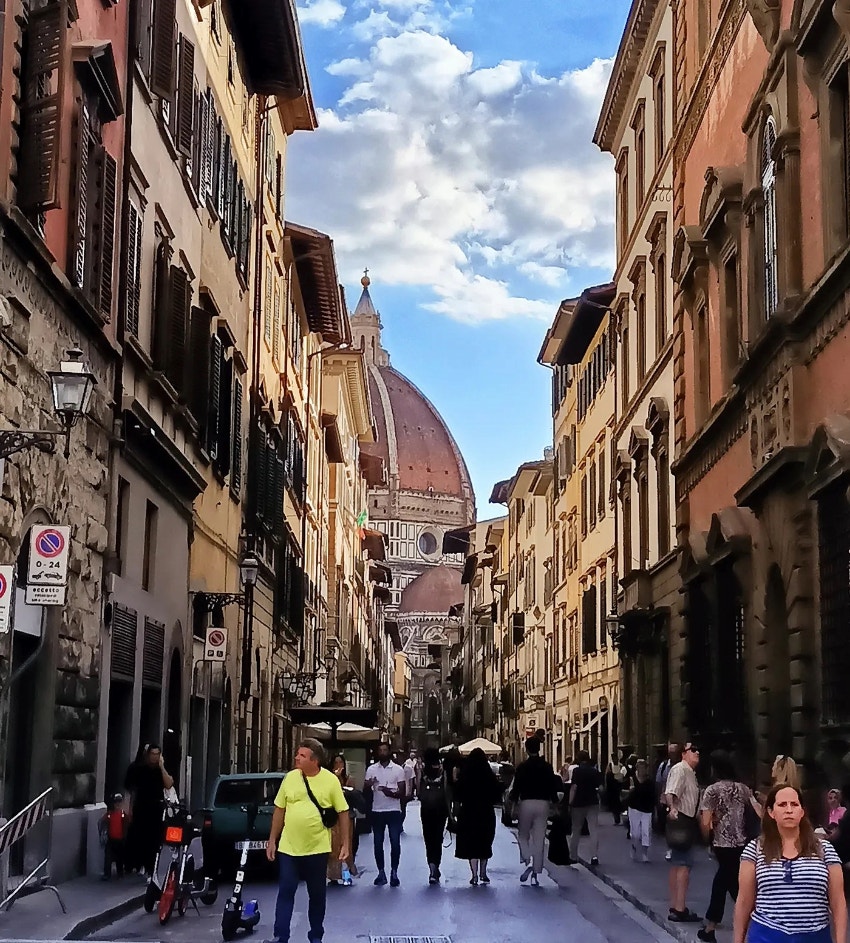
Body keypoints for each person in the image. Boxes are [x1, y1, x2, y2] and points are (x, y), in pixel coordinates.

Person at [733, 783, 846, 943]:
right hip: (767, 935)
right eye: (782, 804)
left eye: (794, 804)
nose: (789, 809)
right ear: (771, 812)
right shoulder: (755, 849)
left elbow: (838, 901)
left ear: (802, 811)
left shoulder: (824, 849)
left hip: (815, 935)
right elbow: (744, 900)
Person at [265, 739, 350, 943]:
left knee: (317, 894)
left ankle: (316, 935)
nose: (297, 758)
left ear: (315, 760)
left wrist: (345, 843)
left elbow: (343, 812)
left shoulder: (330, 781)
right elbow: (279, 810)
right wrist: (272, 840)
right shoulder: (290, 778)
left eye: (302, 756)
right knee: (286, 891)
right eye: (297, 754)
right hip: (289, 848)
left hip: (316, 849)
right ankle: (281, 936)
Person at [697, 750, 758, 943]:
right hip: (742, 842)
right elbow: (758, 811)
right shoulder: (743, 788)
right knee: (732, 883)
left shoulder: (712, 790)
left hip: (722, 843)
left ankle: (711, 928)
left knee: (722, 882)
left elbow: (706, 822)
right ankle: (750, 919)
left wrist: (706, 839)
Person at [510, 737, 558, 885]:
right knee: (539, 838)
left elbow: (516, 788)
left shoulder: (522, 767)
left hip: (526, 803)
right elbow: (552, 786)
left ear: (526, 749)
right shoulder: (547, 767)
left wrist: (513, 806)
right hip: (543, 804)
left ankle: (527, 857)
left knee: (523, 835)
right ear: (539, 748)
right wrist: (555, 805)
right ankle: (536, 873)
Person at [454, 747, 502, 885]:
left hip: (468, 812)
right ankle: (483, 872)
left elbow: (457, 795)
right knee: (485, 842)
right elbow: (496, 795)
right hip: (485, 812)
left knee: (471, 843)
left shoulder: (465, 776)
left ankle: (474, 874)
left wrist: (454, 814)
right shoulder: (489, 775)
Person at [665, 741, 702, 923]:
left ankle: (676, 906)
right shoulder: (681, 769)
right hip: (682, 820)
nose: (697, 752)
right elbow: (671, 792)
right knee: (683, 864)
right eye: (693, 749)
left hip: (685, 820)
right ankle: (679, 908)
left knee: (678, 863)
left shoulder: (689, 772)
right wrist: (672, 808)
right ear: (683, 754)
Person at [124, 743, 173, 876]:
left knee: (155, 840)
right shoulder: (138, 769)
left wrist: (162, 766)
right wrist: (128, 807)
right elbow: (131, 789)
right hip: (141, 807)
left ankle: (151, 869)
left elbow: (169, 784)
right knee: (140, 838)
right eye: (153, 754)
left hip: (156, 809)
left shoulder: (160, 770)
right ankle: (138, 865)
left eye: (158, 754)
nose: (155, 757)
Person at [365, 742, 407, 887]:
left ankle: (394, 872)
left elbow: (402, 792)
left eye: (385, 750)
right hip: (377, 810)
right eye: (380, 750)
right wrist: (370, 783)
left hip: (393, 810)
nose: (382, 752)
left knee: (395, 842)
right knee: (378, 843)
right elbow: (365, 787)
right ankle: (381, 872)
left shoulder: (397, 770)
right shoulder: (371, 769)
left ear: (389, 752)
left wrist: (388, 792)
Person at [418, 748, 449, 884]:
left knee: (428, 839)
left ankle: (431, 868)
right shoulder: (443, 770)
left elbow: (418, 791)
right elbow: (447, 790)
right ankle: (436, 865)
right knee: (438, 839)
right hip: (440, 808)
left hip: (426, 809)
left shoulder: (422, 770)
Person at [327, 755, 358, 885]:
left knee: (346, 846)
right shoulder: (328, 778)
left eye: (341, 762)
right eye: (336, 762)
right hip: (333, 818)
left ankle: (346, 875)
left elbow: (351, 794)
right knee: (333, 847)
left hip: (346, 817)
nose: (338, 765)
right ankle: (333, 875)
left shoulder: (348, 779)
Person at [568, 751, 602, 867]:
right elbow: (601, 787)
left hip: (578, 803)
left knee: (576, 830)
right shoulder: (594, 771)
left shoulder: (577, 771)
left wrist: (570, 802)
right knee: (593, 830)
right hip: (592, 802)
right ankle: (594, 856)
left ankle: (573, 856)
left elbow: (574, 787)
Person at [626, 759, 655, 863]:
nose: (642, 770)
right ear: (637, 768)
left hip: (646, 809)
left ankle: (644, 854)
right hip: (634, 808)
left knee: (646, 832)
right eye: (640, 768)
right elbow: (628, 792)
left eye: (644, 768)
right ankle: (633, 847)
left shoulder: (650, 782)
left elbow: (653, 795)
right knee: (635, 833)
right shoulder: (632, 779)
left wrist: (654, 807)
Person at [656, 742, 680, 847]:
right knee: (667, 825)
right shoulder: (664, 766)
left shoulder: (682, 766)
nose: (672, 755)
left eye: (674, 752)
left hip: (679, 801)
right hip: (665, 800)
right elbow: (659, 782)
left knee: (676, 825)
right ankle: (670, 846)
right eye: (671, 752)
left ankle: (675, 845)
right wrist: (659, 798)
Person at [100, 792, 127, 881]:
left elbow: (127, 826)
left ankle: (120, 873)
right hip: (111, 839)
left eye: (119, 802)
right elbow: (101, 822)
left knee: (120, 857)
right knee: (108, 857)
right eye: (116, 802)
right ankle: (107, 874)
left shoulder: (124, 815)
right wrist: (103, 833)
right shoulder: (109, 814)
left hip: (120, 840)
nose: (118, 804)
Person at [605, 757, 624, 826]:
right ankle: (617, 818)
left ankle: (617, 818)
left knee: (615, 805)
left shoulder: (613, 766)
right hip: (614, 788)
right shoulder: (614, 766)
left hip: (614, 789)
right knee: (616, 804)